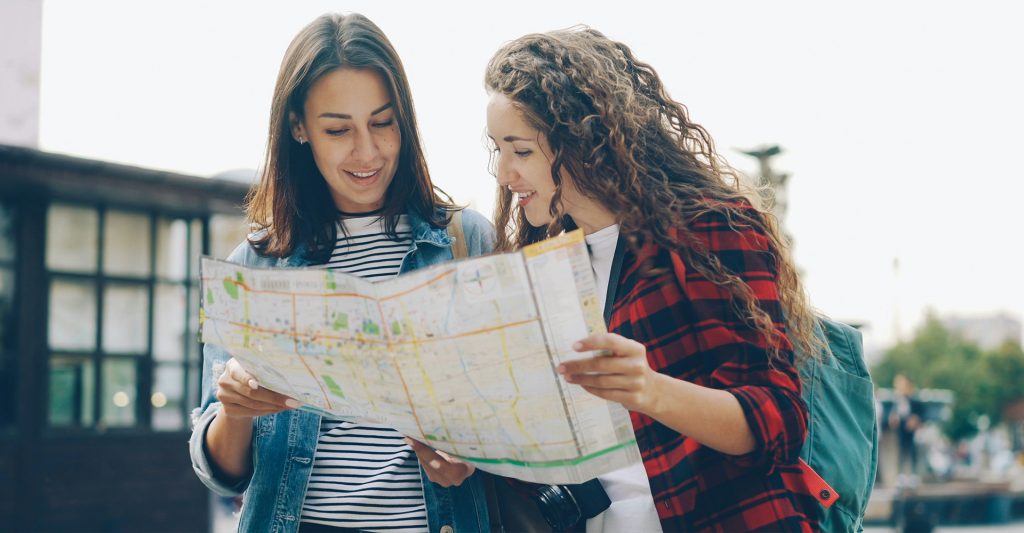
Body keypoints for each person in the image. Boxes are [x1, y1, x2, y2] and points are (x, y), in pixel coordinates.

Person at [463, 27, 831, 532]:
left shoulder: (707, 230)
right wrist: (470, 456)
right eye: (498, 151)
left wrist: (650, 390)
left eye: (521, 151)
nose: (504, 175)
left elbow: (780, 420)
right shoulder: (546, 268)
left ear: (583, 143)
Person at [188, 13, 494, 533]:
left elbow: (513, 416)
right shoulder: (254, 266)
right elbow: (222, 474)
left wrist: (475, 456)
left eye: (383, 122)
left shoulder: (467, 244)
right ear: (298, 127)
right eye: (338, 130)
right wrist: (236, 410)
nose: (367, 151)